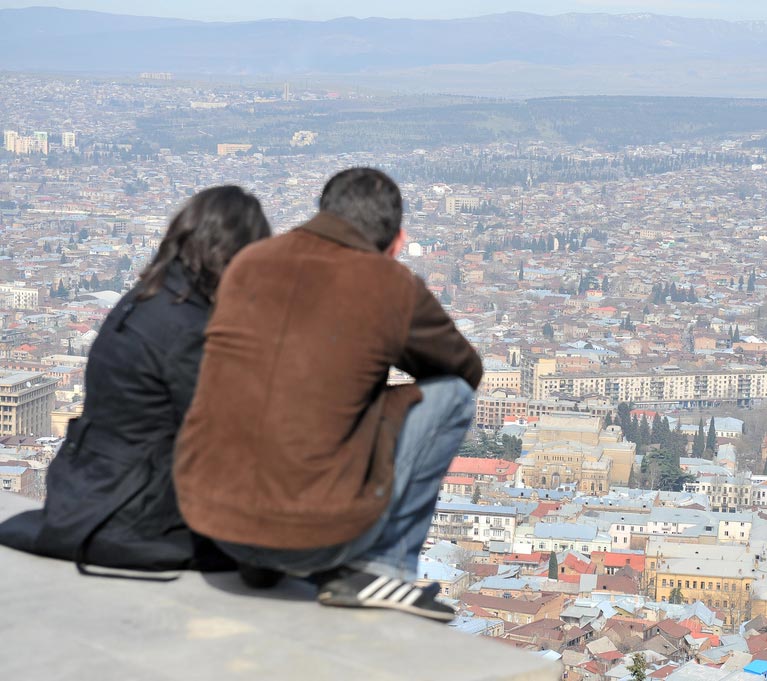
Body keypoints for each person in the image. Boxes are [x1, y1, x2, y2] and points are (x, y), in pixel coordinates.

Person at [173, 167, 481, 620]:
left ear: (323, 213)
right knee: (452, 395)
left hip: (215, 522)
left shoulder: (248, 263)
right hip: (317, 535)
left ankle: (263, 566)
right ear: (397, 237)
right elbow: (463, 368)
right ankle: (384, 571)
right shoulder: (387, 283)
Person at [0, 186, 272, 575]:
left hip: (86, 493)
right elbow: (221, 435)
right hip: (135, 514)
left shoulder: (147, 300)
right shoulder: (187, 327)